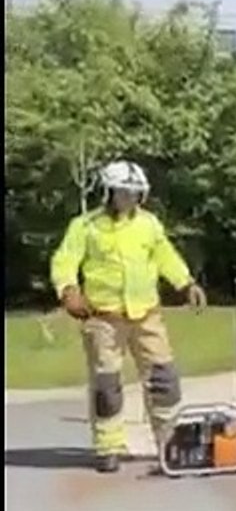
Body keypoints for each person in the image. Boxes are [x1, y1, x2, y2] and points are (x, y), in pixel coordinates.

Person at [49, 160, 207, 473]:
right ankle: (108, 446)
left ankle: (169, 444)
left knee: (164, 379)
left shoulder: (148, 224)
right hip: (103, 318)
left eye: (135, 193)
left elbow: (165, 256)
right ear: (109, 193)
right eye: (124, 193)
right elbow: (64, 260)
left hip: (146, 315)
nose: (130, 199)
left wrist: (186, 283)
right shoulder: (85, 226)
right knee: (107, 384)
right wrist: (68, 290)